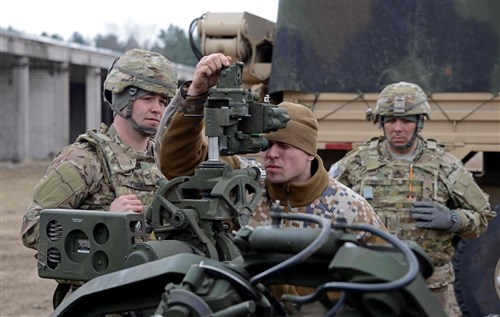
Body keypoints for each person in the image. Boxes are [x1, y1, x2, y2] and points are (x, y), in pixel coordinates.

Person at [155, 53, 388, 308]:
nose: (272, 154)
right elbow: (178, 164)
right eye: (267, 144)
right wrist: (196, 96)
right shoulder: (244, 185)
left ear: (310, 152)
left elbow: (388, 278)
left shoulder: (349, 209)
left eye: (285, 146)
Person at [21, 48, 178, 306]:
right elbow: (33, 228)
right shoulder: (85, 159)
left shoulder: (166, 161)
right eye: (148, 98)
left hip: (155, 299)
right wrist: (107, 223)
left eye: (163, 101)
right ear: (122, 99)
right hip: (100, 303)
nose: (157, 109)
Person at [329, 81, 496, 314]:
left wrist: (452, 219)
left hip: (428, 284)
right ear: (381, 123)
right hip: (371, 278)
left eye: (406, 121)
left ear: (419, 124)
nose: (398, 128)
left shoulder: (444, 166)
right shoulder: (356, 163)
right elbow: (322, 203)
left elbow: (483, 217)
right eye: (390, 120)